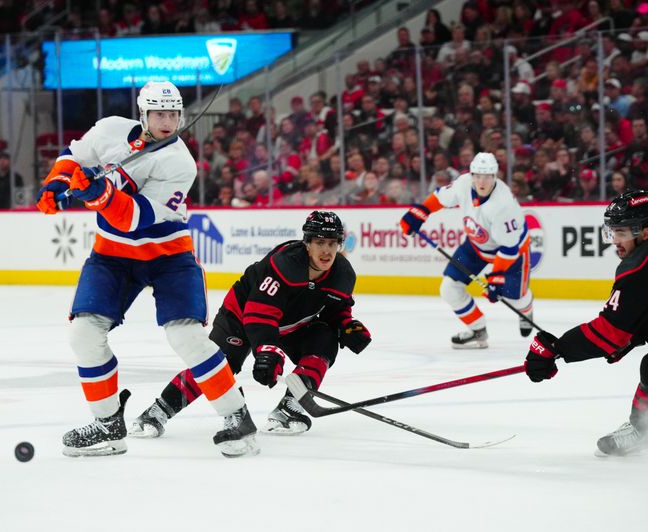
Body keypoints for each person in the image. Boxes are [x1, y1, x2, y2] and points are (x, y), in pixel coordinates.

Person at [35, 81, 258, 458]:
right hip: (112, 257)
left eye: (173, 114)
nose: (168, 122)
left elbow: (136, 218)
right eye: (159, 114)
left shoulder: (179, 163)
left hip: (168, 257)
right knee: (83, 334)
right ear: (143, 114)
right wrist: (56, 184)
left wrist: (98, 194)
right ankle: (107, 425)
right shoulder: (110, 129)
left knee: (186, 337)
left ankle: (237, 418)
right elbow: (72, 156)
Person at [130, 212, 372, 437]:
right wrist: (267, 351)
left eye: (332, 243)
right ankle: (157, 412)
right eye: (320, 243)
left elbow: (336, 309)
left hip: (292, 325)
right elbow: (259, 314)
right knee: (218, 365)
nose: (326, 251)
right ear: (307, 243)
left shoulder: (343, 274)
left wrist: (347, 325)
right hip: (241, 315)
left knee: (325, 338)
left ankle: (291, 406)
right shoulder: (286, 264)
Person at [525, 190, 648, 456]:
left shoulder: (639, 267)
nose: (615, 240)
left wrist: (556, 348)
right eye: (612, 232)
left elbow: (610, 332)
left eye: (622, 233)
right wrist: (634, 336)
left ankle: (641, 430)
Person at [399, 152, 534, 349]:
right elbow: (440, 197)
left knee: (514, 297)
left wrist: (495, 277)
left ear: (495, 176)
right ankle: (477, 330)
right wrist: (420, 212)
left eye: (487, 176)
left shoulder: (503, 205)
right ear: (471, 174)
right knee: (449, 288)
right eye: (477, 175)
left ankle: (526, 309)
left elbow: (509, 248)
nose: (482, 181)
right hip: (476, 246)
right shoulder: (463, 184)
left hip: (511, 252)